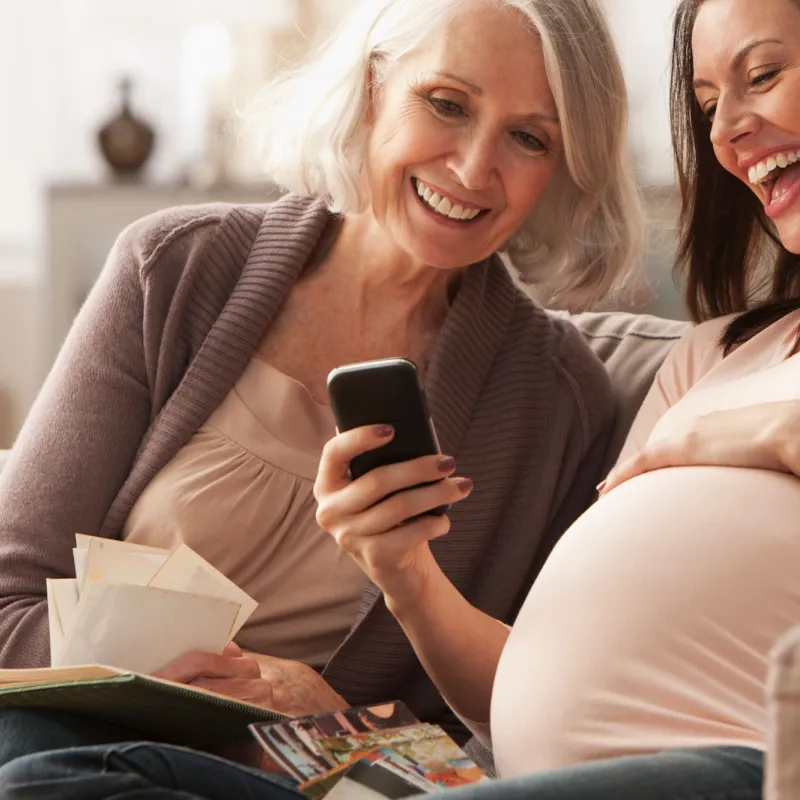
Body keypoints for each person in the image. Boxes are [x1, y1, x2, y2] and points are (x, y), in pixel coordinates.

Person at [3, 0, 799, 798]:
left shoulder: (559, 405)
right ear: (373, 86)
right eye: (446, 104)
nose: (473, 168)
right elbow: (9, 603)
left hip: (311, 780)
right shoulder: (177, 269)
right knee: (31, 753)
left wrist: (329, 712)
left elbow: (506, 716)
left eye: (528, 138)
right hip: (88, 732)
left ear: (561, 168)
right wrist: (199, 684)